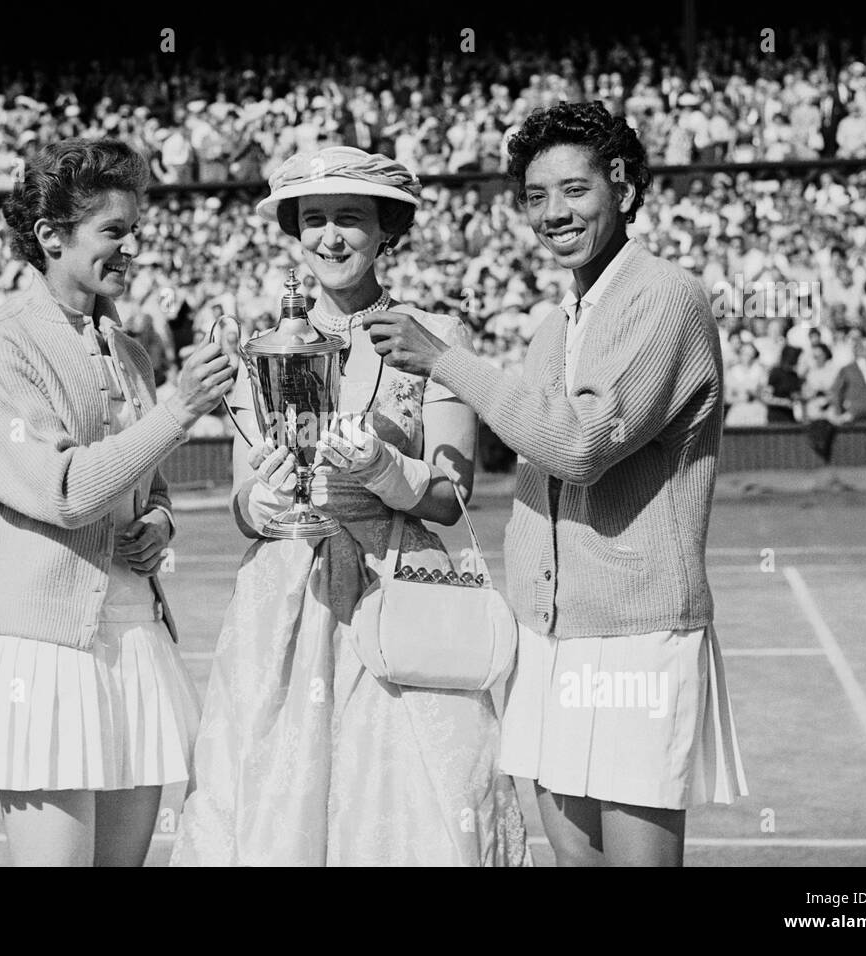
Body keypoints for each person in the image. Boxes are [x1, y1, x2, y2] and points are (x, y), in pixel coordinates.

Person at [366, 102, 746, 866]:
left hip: (638, 629)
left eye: (574, 190)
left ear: (625, 188)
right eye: (536, 197)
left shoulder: (667, 296)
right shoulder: (557, 321)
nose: (553, 213)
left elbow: (578, 446)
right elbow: (533, 458)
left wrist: (445, 361)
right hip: (549, 634)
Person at [171, 146, 529, 866]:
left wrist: (387, 470)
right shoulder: (264, 345)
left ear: (386, 229)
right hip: (285, 595)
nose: (330, 237)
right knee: (275, 803)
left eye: (350, 219)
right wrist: (265, 503)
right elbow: (244, 501)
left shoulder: (432, 333)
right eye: (314, 220)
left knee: (414, 810)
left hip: (397, 592)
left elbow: (453, 501)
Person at [0, 138, 234, 867]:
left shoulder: (129, 351)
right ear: (50, 237)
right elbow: (63, 492)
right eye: (113, 232)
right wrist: (180, 409)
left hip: (135, 636)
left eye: (136, 230)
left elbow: (148, 487)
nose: (131, 248)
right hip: (42, 653)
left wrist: (157, 523)